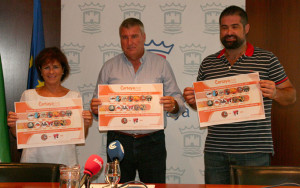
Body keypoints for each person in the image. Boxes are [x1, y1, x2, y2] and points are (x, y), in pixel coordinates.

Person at [183, 5, 296, 184]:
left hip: (254, 152)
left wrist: (275, 93)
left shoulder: (267, 59)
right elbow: (202, 105)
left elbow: (291, 95)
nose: (229, 32)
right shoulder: (208, 63)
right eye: (224, 27)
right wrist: (192, 101)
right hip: (215, 152)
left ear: (246, 28)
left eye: (235, 26)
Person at [90, 18, 186, 183]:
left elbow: (179, 101)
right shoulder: (109, 67)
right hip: (118, 140)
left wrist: (174, 104)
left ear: (144, 37)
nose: (129, 42)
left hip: (152, 141)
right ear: (120, 39)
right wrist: (95, 109)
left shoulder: (161, 64)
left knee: (154, 186)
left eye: (134, 36)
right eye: (124, 37)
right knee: (116, 186)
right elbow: (96, 104)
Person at [7, 47, 93, 166]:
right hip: (33, 161)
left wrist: (86, 124)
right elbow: (18, 134)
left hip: (65, 161)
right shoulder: (28, 96)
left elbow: (79, 136)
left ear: (63, 70)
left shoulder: (73, 96)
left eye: (56, 67)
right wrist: (12, 125)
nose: (51, 72)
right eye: (47, 67)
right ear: (40, 71)